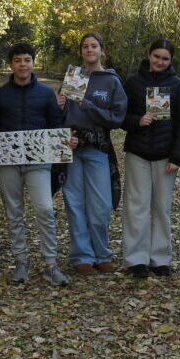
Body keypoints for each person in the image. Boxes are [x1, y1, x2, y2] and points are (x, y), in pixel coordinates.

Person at [0, 42, 70, 287]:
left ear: (33, 63)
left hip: (38, 162)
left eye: (27, 60)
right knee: (14, 213)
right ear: (11, 64)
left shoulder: (45, 93)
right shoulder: (0, 95)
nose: (23, 65)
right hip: (8, 163)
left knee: (45, 209)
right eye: (18, 60)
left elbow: (55, 125)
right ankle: (21, 261)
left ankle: (51, 264)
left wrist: (64, 141)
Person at [56, 33, 127, 275]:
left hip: (98, 148)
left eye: (94, 46)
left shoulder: (111, 81)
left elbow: (117, 118)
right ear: (81, 51)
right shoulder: (73, 77)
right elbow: (60, 118)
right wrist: (59, 106)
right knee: (75, 203)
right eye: (85, 46)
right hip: (72, 147)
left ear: (101, 50)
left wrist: (88, 105)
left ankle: (102, 253)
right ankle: (82, 255)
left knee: (101, 205)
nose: (89, 50)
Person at [120, 39, 180, 279]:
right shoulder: (133, 83)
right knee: (136, 206)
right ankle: (136, 259)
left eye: (165, 58)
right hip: (138, 153)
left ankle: (160, 258)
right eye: (156, 56)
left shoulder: (177, 86)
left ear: (171, 60)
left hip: (165, 156)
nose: (160, 61)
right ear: (149, 55)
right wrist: (137, 121)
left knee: (161, 208)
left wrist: (177, 157)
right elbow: (121, 116)